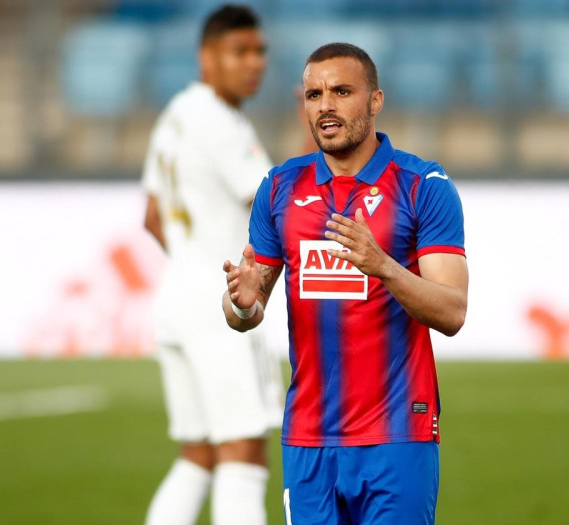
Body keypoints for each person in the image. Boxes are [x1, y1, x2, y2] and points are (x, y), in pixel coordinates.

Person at [221, 42, 468, 523]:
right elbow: (245, 315)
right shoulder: (279, 187)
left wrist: (385, 266)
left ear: (375, 101)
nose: (325, 106)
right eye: (313, 94)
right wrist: (245, 304)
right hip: (309, 439)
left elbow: (453, 312)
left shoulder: (423, 186)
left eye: (341, 91)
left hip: (397, 438)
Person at [140, 6, 282, 524]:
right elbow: (273, 203)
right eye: (240, 51)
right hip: (220, 305)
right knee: (244, 454)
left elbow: (152, 216)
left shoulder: (176, 113)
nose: (255, 63)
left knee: (198, 456)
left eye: (260, 51)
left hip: (176, 295)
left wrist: (189, 262)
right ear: (207, 57)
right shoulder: (221, 122)